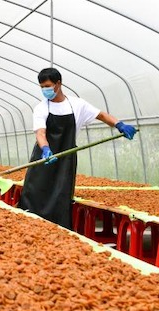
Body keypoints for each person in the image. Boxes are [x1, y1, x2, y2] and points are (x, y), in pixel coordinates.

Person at [18, 68, 136, 229]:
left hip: (66, 158)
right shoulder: (41, 107)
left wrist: (119, 125)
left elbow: (100, 115)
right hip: (45, 157)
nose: (45, 90)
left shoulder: (77, 104)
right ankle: (28, 225)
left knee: (61, 193)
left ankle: (59, 229)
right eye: (42, 87)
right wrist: (46, 149)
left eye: (47, 86)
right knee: (36, 190)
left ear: (58, 83)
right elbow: (40, 132)